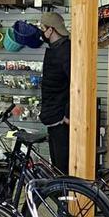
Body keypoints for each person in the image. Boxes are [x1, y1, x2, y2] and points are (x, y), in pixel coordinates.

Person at [39, 11, 71, 174]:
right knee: (58, 167)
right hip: (54, 116)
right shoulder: (58, 49)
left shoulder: (64, 51)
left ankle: (66, 191)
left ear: (51, 30)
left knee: (61, 168)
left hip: (61, 119)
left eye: (43, 28)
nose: (41, 32)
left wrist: (68, 114)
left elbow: (75, 84)